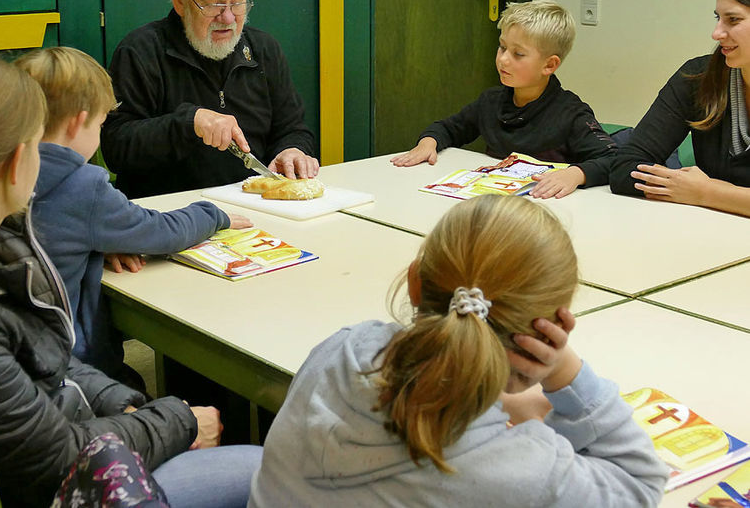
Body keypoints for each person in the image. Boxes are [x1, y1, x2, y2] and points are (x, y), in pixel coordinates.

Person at [0, 52, 261, 507]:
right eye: (38, 146)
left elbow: (40, 354)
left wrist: (128, 406)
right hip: (42, 487)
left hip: (14, 444)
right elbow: (61, 457)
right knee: (265, 467)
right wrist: (178, 420)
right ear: (18, 163)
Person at [249, 195, 668, 507]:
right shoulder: (528, 473)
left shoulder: (342, 348)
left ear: (415, 283)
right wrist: (566, 372)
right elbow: (640, 485)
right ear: (551, 330)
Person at [15, 47, 251, 381]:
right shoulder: (81, 184)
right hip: (70, 363)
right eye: (100, 124)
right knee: (134, 386)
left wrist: (100, 241)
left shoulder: (4, 171)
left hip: (19, 353)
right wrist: (212, 214)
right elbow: (162, 232)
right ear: (78, 123)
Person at [101, 0, 318, 199]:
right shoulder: (141, 51)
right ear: (180, 0)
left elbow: (293, 128)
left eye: (238, 2)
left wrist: (293, 150)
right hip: (170, 214)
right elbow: (116, 148)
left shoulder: (263, 49)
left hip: (254, 205)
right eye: (214, 3)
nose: (227, 17)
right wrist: (188, 123)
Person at [391, 0, 616, 199]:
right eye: (502, 47)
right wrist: (428, 142)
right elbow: (449, 128)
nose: (503, 60)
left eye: (518, 54)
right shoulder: (492, 101)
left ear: (549, 65)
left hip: (545, 211)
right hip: (494, 202)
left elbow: (613, 159)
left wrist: (575, 175)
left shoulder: (571, 113)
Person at [609, 0, 750, 215]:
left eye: (733, 20)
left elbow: (703, 192)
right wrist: (685, 188)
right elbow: (625, 168)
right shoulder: (698, 77)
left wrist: (707, 192)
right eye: (718, 18)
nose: (716, 33)